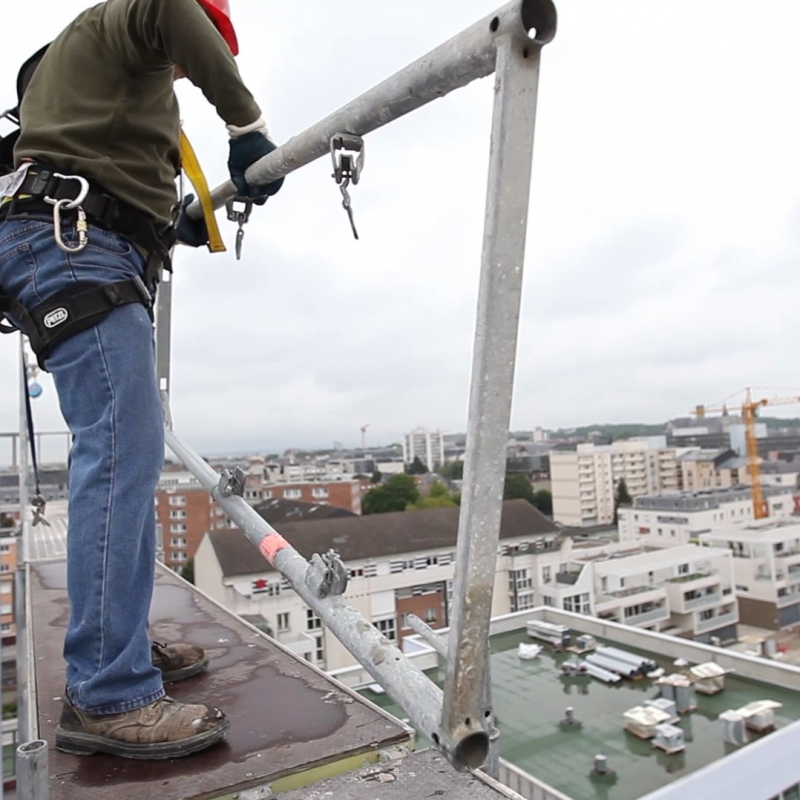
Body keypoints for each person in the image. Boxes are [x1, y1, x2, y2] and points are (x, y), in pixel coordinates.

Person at [0, 0, 283, 760]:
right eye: (198, 59)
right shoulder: (137, 22)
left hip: (77, 240)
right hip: (71, 243)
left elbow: (113, 172)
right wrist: (244, 123)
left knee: (125, 455)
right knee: (121, 452)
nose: (189, 73)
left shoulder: (102, 88)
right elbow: (171, 7)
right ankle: (108, 694)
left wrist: (174, 223)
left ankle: (119, 648)